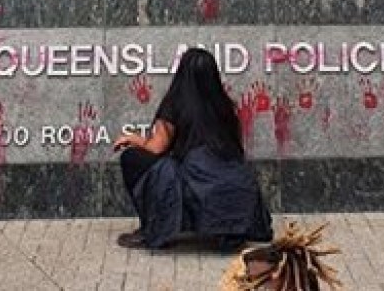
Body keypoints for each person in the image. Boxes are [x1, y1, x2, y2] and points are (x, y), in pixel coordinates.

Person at [113, 47, 272, 251]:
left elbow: (156, 147)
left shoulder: (175, 103)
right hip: (236, 184)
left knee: (132, 158)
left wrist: (133, 139)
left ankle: (151, 227)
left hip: (199, 180)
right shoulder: (224, 105)